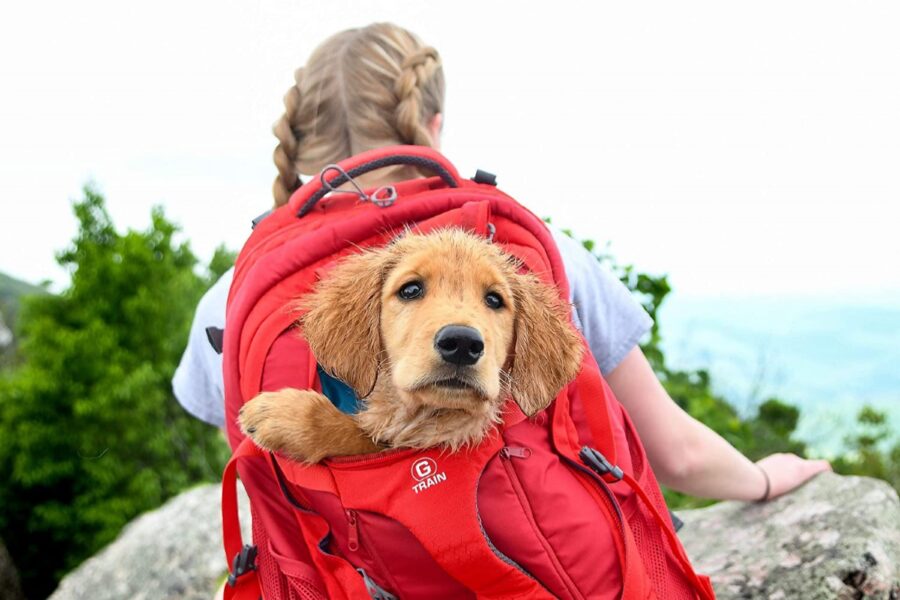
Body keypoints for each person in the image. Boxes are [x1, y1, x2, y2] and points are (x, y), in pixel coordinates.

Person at [173, 22, 829, 511]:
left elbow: (256, 465)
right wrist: (765, 479)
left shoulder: (230, 298)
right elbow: (675, 454)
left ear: (301, 143)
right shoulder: (532, 253)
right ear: (433, 124)